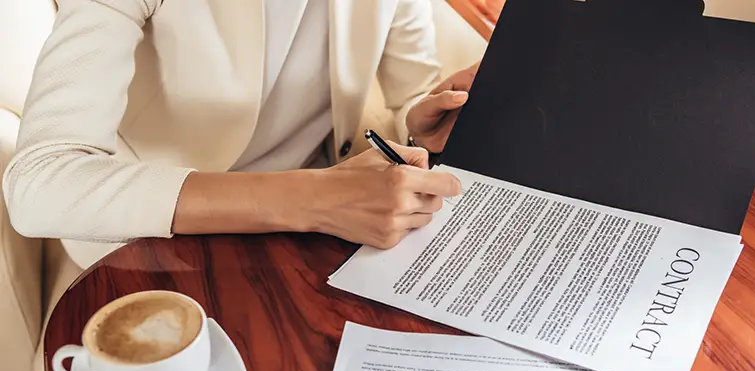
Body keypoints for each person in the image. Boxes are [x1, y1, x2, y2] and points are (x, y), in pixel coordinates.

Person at [3, 0, 479, 268]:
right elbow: (40, 185)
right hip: (158, 235)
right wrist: (313, 198)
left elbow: (409, 94)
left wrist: (422, 123)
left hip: (324, 225)